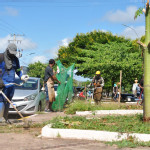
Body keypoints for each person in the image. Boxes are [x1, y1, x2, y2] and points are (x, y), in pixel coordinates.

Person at [0, 43, 29, 124]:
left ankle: (5, 118)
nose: (12, 54)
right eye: (11, 52)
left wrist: (22, 76)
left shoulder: (15, 59)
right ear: (7, 50)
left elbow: (18, 70)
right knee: (1, 101)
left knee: (8, 102)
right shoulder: (1, 57)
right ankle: (0, 119)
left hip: (11, 84)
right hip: (2, 85)